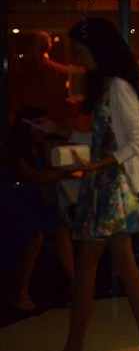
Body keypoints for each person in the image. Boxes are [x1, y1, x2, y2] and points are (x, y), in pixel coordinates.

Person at [35, 17, 139, 351]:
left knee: (89, 266)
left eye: (80, 50)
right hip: (108, 184)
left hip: (112, 187)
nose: (78, 58)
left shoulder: (117, 87)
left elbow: (137, 141)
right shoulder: (110, 85)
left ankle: (74, 346)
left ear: (97, 49)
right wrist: (58, 131)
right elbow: (104, 140)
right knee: (123, 266)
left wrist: (96, 164)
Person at [0, 106, 75, 313]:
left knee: (60, 230)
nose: (46, 130)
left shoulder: (42, 148)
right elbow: (36, 177)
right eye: (41, 125)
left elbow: (47, 175)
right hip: (14, 201)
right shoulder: (12, 151)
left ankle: (75, 282)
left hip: (34, 202)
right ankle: (20, 292)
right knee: (35, 236)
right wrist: (64, 171)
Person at [8, 30, 78, 130]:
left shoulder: (24, 71)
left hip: (36, 123)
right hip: (53, 123)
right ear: (49, 46)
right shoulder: (62, 71)